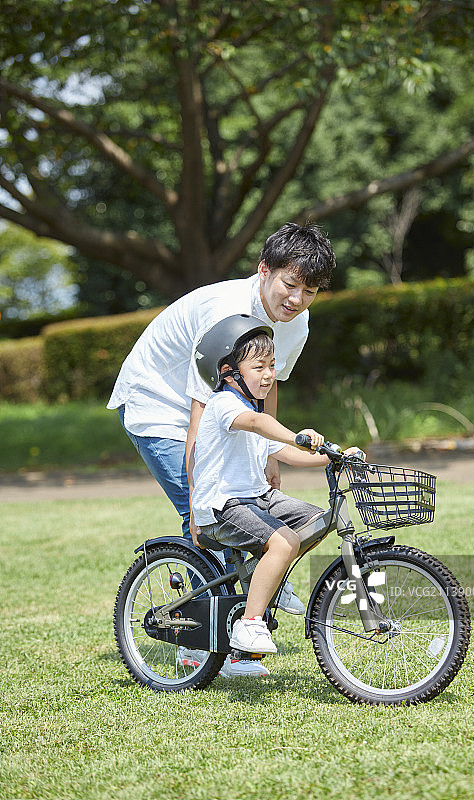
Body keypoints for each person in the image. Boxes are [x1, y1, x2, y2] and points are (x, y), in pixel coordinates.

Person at [107, 221, 336, 676]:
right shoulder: (225, 316)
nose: (295, 300)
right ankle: (201, 646)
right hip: (159, 404)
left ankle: (250, 597)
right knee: (214, 521)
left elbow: (267, 385)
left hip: (226, 412)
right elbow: (200, 416)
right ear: (264, 269)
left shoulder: (297, 321)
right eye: (288, 285)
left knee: (272, 520)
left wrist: (269, 456)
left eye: (309, 291)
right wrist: (197, 503)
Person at [191, 315, 365, 655]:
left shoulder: (250, 407)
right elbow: (258, 423)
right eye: (258, 366)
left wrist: (334, 456)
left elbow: (286, 452)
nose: (268, 374)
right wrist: (299, 435)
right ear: (228, 372)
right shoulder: (225, 404)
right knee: (284, 541)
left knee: (317, 520)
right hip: (223, 505)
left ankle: (269, 574)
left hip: (257, 498)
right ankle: (250, 623)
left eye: (271, 365)